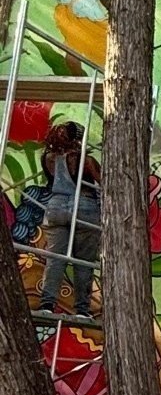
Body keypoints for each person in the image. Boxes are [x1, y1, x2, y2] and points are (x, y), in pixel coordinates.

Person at [37, 122, 101, 322]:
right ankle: (82, 309)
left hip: (55, 207)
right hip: (84, 207)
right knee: (83, 262)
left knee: (55, 259)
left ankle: (47, 304)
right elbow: (105, 182)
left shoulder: (47, 159)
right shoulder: (86, 160)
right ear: (77, 139)